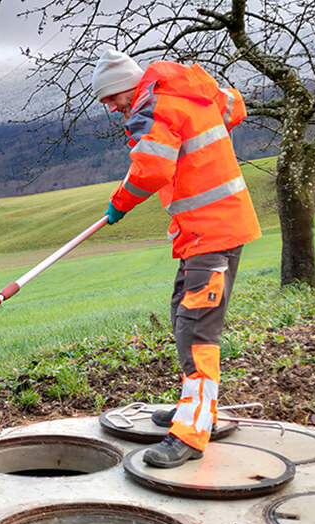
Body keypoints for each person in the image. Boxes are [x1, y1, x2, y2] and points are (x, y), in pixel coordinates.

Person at [92, 49, 262, 468]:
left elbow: (150, 169)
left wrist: (120, 203)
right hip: (203, 232)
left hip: (213, 231)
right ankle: (195, 405)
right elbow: (233, 107)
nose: (111, 109)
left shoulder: (157, 104)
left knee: (196, 329)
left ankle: (192, 432)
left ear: (124, 88)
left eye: (110, 99)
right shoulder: (186, 91)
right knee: (181, 315)